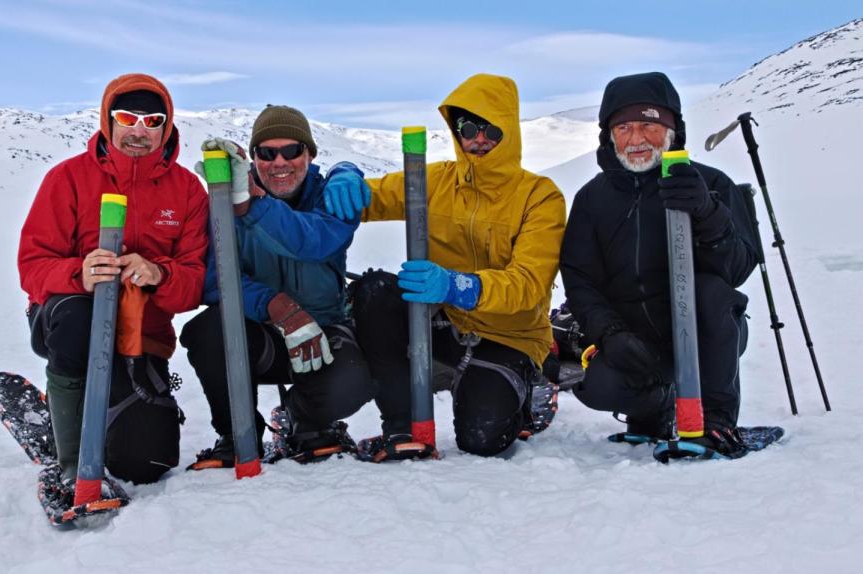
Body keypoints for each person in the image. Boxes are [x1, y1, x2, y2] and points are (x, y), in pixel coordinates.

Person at [326, 73, 566, 461]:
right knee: (375, 293)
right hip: (445, 323)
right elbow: (368, 198)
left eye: (491, 129)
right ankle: (402, 428)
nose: (479, 139)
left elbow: (528, 285)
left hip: (509, 336)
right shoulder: (435, 180)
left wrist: (458, 286)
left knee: (481, 439)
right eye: (467, 129)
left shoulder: (539, 197)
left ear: (509, 129)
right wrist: (343, 173)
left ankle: (526, 385)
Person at [18, 73, 208, 488]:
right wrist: (78, 274)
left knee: (147, 463)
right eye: (127, 118)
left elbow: (192, 284)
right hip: (71, 325)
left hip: (141, 337)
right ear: (108, 119)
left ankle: (102, 414)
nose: (139, 131)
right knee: (78, 317)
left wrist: (160, 274)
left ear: (166, 127)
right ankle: (70, 462)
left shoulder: (188, 191)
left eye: (153, 121)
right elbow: (32, 265)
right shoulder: (68, 178)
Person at [559, 71, 760, 456]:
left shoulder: (711, 184)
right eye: (623, 128)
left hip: (708, 334)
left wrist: (707, 212)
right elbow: (581, 280)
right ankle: (652, 412)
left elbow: (737, 269)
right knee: (600, 387)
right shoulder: (592, 199)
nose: (636, 139)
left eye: (649, 125)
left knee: (711, 292)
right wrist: (610, 334)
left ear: (672, 130)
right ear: (608, 135)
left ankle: (715, 422)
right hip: (635, 338)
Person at [181, 105, 377, 469]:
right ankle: (237, 436)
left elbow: (315, 242)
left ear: (310, 154)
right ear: (254, 158)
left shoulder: (332, 196)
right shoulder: (225, 204)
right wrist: (274, 304)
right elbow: (213, 279)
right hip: (261, 337)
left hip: (322, 333)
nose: (279, 162)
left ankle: (302, 419)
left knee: (352, 380)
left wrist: (255, 204)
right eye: (267, 153)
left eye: (292, 150)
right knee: (208, 331)